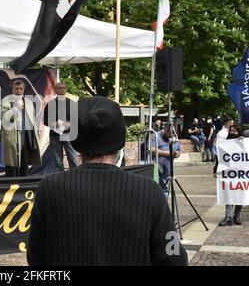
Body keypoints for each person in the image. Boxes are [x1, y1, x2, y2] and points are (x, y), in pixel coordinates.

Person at [27, 96, 188, 266]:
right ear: (120, 139)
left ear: (75, 140)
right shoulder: (149, 191)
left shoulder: (49, 189)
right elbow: (173, 256)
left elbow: (36, 257)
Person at [1, 80, 41, 177]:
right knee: (11, 165)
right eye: (16, 89)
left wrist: (35, 133)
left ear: (23, 90)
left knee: (24, 165)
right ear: (12, 89)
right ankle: (9, 188)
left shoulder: (28, 102)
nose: (19, 91)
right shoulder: (6, 101)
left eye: (21, 89)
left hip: (27, 137)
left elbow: (33, 118)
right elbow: (4, 118)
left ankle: (24, 188)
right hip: (12, 137)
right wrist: (16, 108)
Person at [43, 82, 79, 172]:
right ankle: (60, 180)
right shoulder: (50, 104)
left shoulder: (72, 103)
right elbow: (45, 120)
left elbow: (78, 119)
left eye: (63, 88)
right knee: (57, 161)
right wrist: (52, 124)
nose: (62, 89)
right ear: (55, 90)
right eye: (59, 88)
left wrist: (70, 124)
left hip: (69, 134)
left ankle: (75, 178)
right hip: (55, 135)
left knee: (73, 159)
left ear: (66, 89)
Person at [214, 124, 244, 226]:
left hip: (241, 174)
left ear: (239, 132)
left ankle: (237, 216)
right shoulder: (225, 143)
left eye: (235, 131)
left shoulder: (243, 142)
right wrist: (215, 169)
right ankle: (228, 217)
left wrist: (243, 141)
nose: (232, 133)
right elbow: (220, 158)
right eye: (231, 131)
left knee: (240, 194)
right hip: (229, 174)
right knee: (228, 194)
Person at [153, 127, 182, 198]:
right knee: (154, 188)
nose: (170, 137)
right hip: (156, 166)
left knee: (165, 188)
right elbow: (151, 149)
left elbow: (178, 150)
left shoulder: (175, 137)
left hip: (168, 167)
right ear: (165, 130)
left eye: (172, 135)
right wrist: (167, 153)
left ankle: (163, 205)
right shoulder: (156, 135)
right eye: (169, 134)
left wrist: (177, 154)